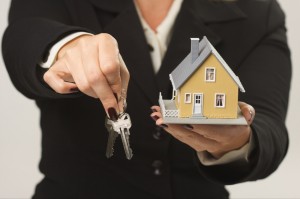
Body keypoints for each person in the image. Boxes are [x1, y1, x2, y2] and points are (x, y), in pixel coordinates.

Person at [2, 0, 291, 198]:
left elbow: (268, 128)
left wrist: (237, 143)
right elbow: (23, 36)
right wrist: (64, 46)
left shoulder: (259, 12)